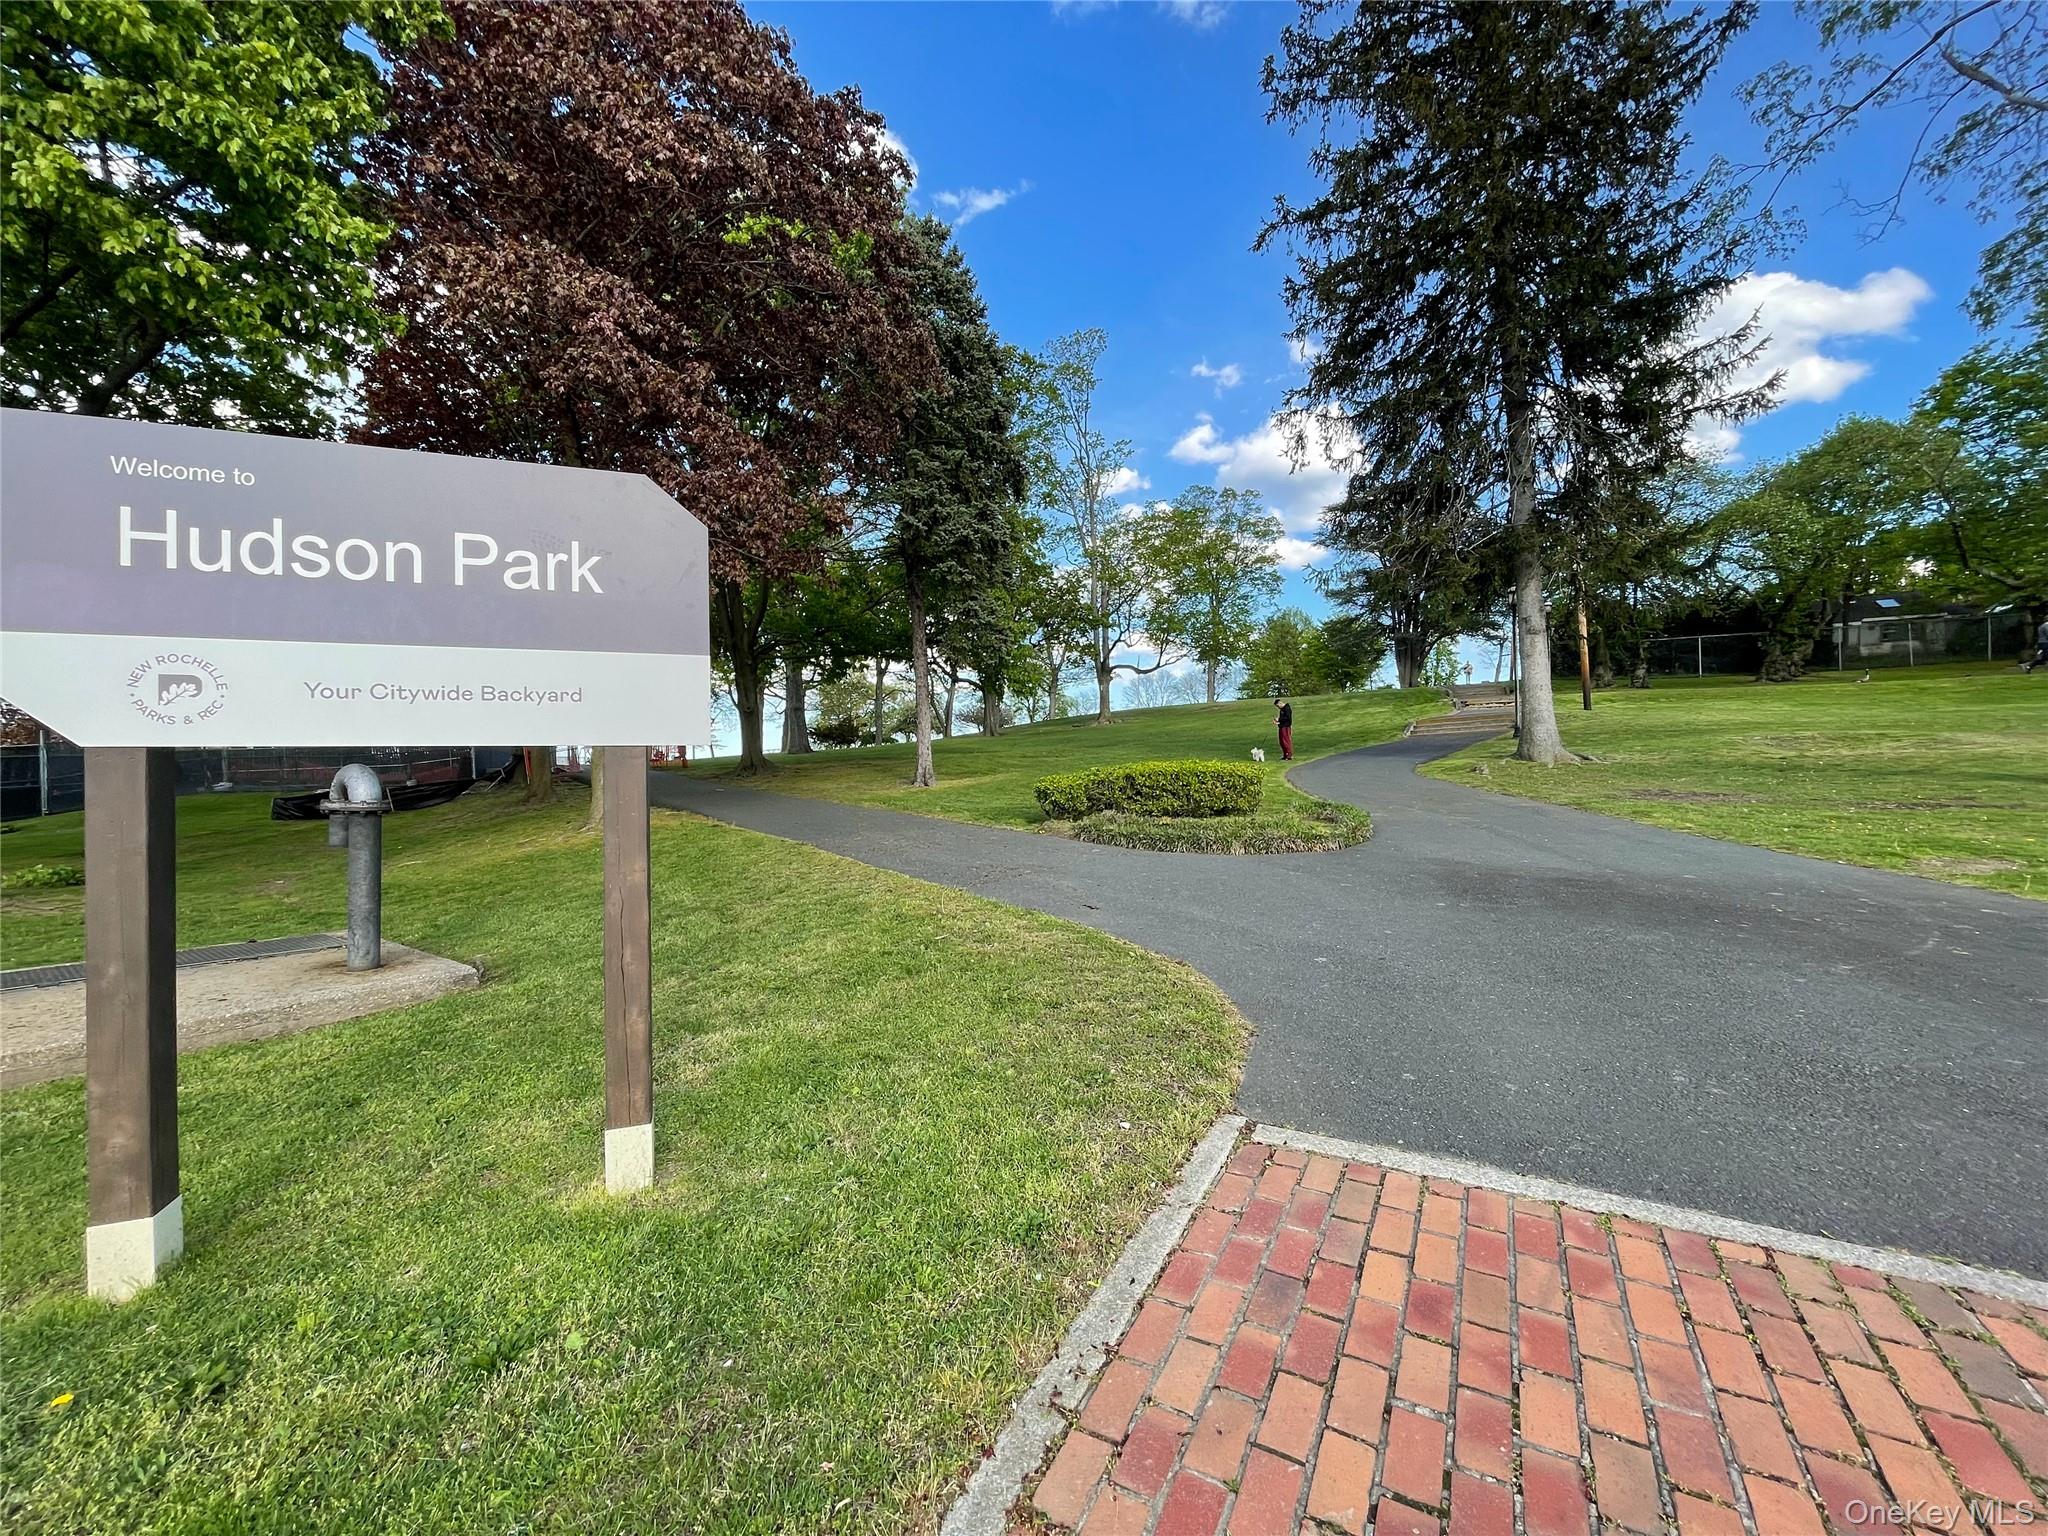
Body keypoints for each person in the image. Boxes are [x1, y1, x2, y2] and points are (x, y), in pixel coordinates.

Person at [1274, 697, 1294, 761]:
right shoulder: (1281, 710)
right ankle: (1285, 755)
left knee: (1286, 741)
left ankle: (1289, 755)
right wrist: (1277, 722)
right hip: (1281, 726)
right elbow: (1282, 720)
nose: (1278, 707)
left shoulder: (1287, 708)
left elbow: (1288, 718)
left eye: (1278, 706)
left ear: (1280, 703)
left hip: (1286, 727)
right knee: (1281, 742)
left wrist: (1279, 719)